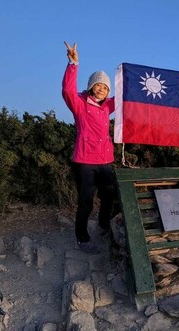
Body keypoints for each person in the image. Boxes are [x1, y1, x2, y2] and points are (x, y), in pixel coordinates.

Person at [62, 41, 117, 254]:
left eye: (105, 87)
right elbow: (67, 90)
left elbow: (124, 99)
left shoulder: (107, 106)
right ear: (91, 86)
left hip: (105, 161)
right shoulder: (79, 104)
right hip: (85, 161)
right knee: (86, 201)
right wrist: (73, 63)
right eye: (98, 85)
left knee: (109, 196)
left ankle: (104, 225)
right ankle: (82, 238)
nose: (101, 89)